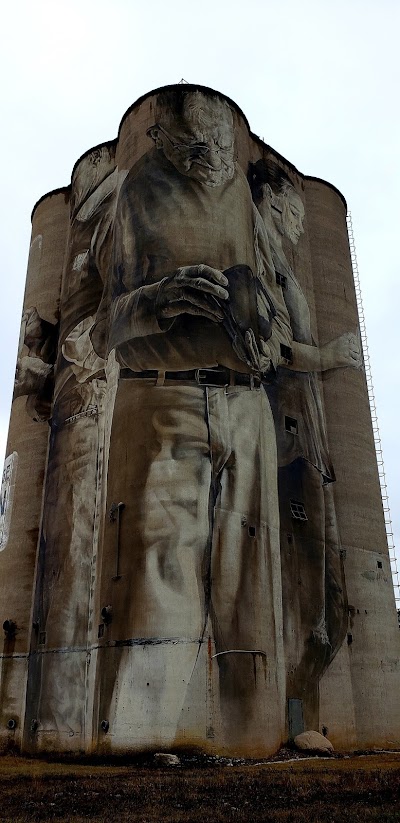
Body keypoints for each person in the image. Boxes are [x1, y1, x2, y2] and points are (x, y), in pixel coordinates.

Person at [92, 89, 293, 753]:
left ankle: (252, 741)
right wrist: (158, 297)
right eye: (196, 145)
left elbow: (275, 308)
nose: (213, 156)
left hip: (247, 405)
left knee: (251, 596)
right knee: (158, 590)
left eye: (223, 143)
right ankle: (143, 743)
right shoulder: (132, 195)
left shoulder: (241, 193)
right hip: (164, 399)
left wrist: (262, 329)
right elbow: (97, 329)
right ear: (164, 139)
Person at [249, 159, 362, 728]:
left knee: (336, 612)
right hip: (285, 447)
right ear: (272, 200)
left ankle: (300, 715)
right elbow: (268, 344)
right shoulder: (252, 246)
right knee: (307, 604)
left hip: (313, 450)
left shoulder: (291, 268)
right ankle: (292, 723)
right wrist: (330, 357)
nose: (299, 220)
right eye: (293, 209)